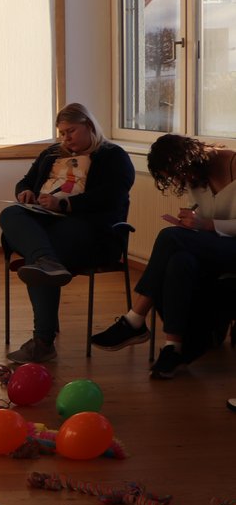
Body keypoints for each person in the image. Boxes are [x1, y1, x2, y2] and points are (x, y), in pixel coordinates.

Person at [90, 134, 236, 379]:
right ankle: (173, 347)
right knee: (180, 261)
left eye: (178, 174)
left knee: (170, 237)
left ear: (189, 160)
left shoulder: (232, 164)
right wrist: (193, 222)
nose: (179, 181)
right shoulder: (194, 176)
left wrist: (208, 224)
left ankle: (135, 319)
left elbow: (212, 224)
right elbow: (204, 219)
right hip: (214, 246)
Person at [0, 101, 134, 366]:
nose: (66, 138)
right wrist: (24, 192)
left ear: (89, 125)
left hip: (89, 230)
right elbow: (26, 181)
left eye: (71, 131)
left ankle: (42, 341)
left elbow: (111, 197)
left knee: (38, 257)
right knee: (9, 214)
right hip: (47, 225)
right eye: (62, 133)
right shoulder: (51, 153)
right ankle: (46, 261)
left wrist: (65, 204)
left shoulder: (113, 155)